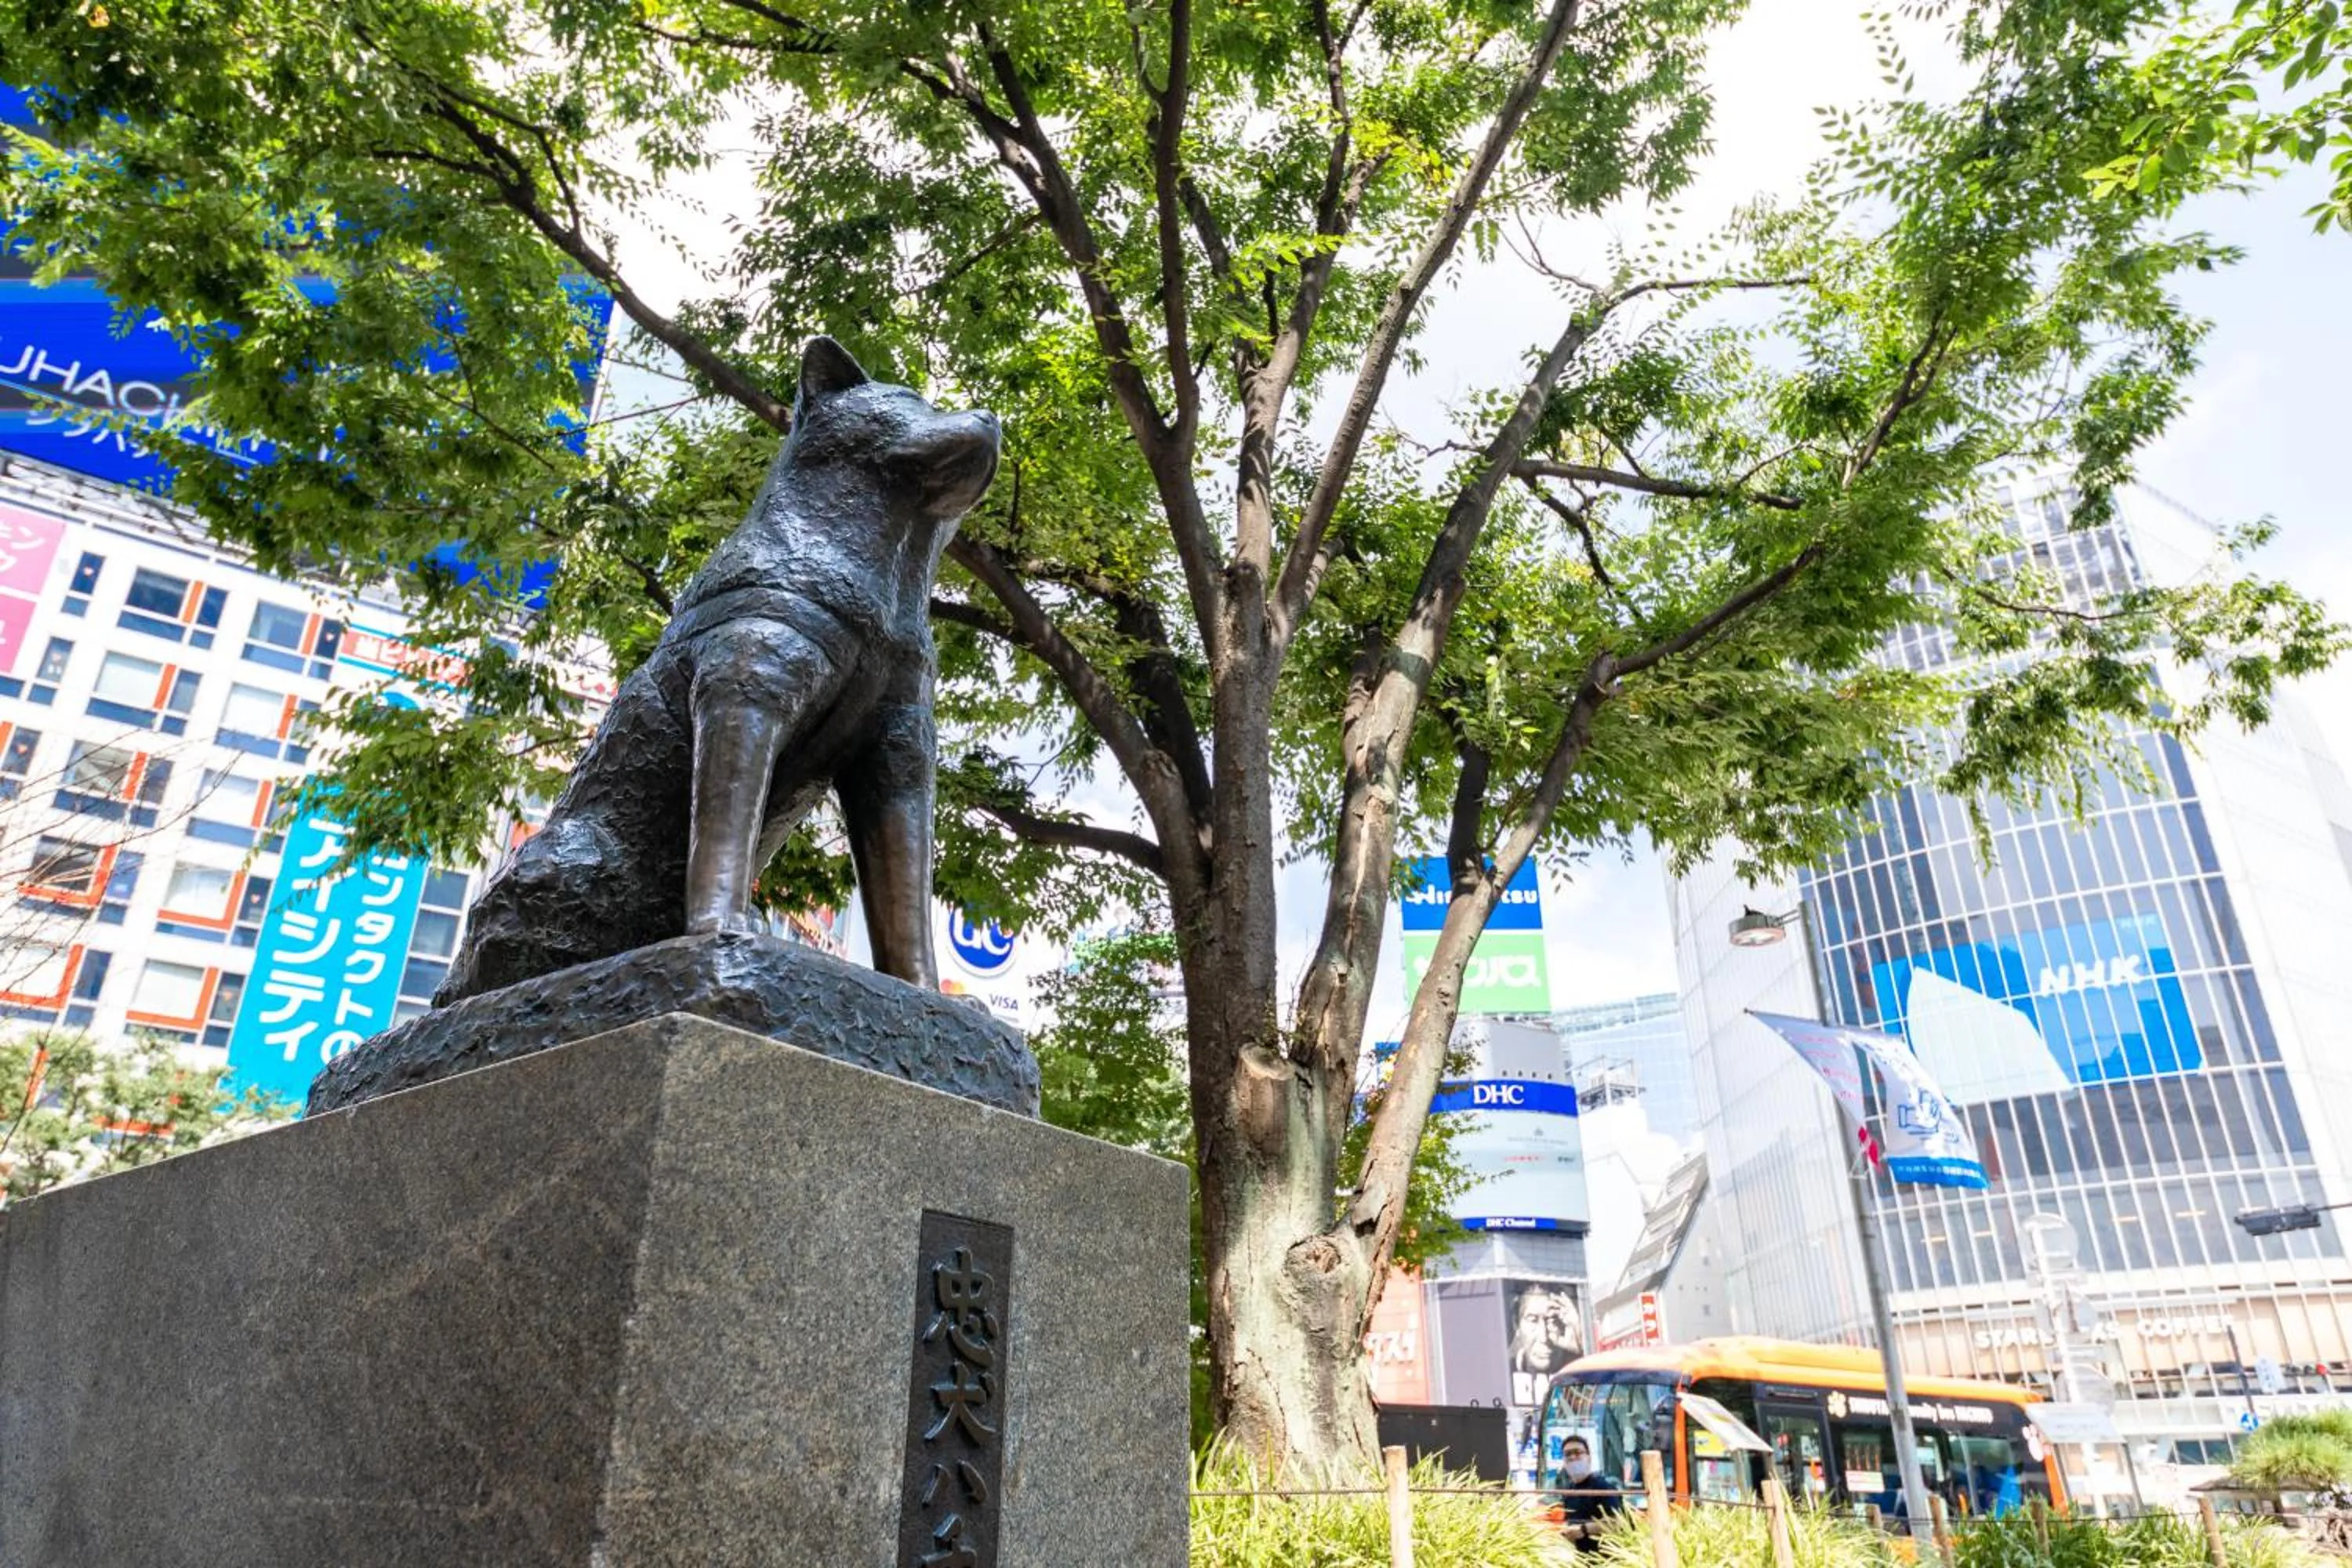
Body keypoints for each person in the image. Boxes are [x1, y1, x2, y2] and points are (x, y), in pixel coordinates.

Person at [1553, 1436, 1623, 1555]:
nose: (1572, 1457)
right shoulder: (1569, 1491)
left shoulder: (1602, 1486)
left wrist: (1584, 1529)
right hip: (1580, 1558)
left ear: (1589, 1458)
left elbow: (1616, 1523)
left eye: (1577, 1452)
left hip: (1605, 1558)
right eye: (1568, 1454)